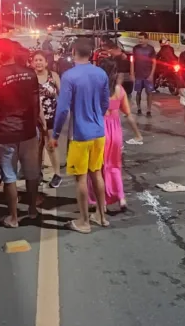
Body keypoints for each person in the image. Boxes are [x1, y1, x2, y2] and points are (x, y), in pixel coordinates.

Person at [50, 38, 110, 234]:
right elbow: (104, 104)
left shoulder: (69, 76)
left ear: (74, 52)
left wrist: (56, 133)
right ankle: (101, 216)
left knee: (81, 179)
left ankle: (84, 221)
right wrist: (96, 118)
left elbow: (62, 109)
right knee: (97, 174)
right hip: (99, 132)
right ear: (92, 53)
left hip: (80, 135)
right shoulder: (101, 73)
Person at [0, 38, 40, 228]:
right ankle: (32, 210)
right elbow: (35, 104)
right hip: (28, 131)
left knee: (9, 175)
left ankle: (13, 217)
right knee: (32, 173)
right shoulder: (30, 74)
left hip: (6, 132)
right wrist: (36, 126)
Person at [88, 59, 143, 213]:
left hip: (99, 131)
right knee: (115, 166)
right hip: (116, 133)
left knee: (97, 167)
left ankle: (100, 201)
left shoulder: (96, 89)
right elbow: (128, 114)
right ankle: (121, 197)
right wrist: (138, 134)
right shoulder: (119, 90)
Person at [32, 51, 62, 188]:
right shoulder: (30, 77)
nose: (38, 62)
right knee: (36, 148)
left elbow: (61, 95)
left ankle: (57, 174)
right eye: (35, 60)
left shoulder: (53, 76)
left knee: (51, 146)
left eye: (40, 60)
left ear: (46, 62)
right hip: (34, 119)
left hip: (51, 118)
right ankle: (38, 173)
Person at [131, 32, 157, 116]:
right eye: (139, 38)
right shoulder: (135, 48)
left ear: (146, 39)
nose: (140, 40)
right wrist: (132, 73)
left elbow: (154, 62)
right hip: (138, 75)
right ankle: (139, 108)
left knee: (149, 92)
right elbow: (132, 61)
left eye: (142, 38)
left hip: (148, 74)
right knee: (138, 92)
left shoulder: (151, 49)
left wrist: (151, 74)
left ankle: (148, 110)